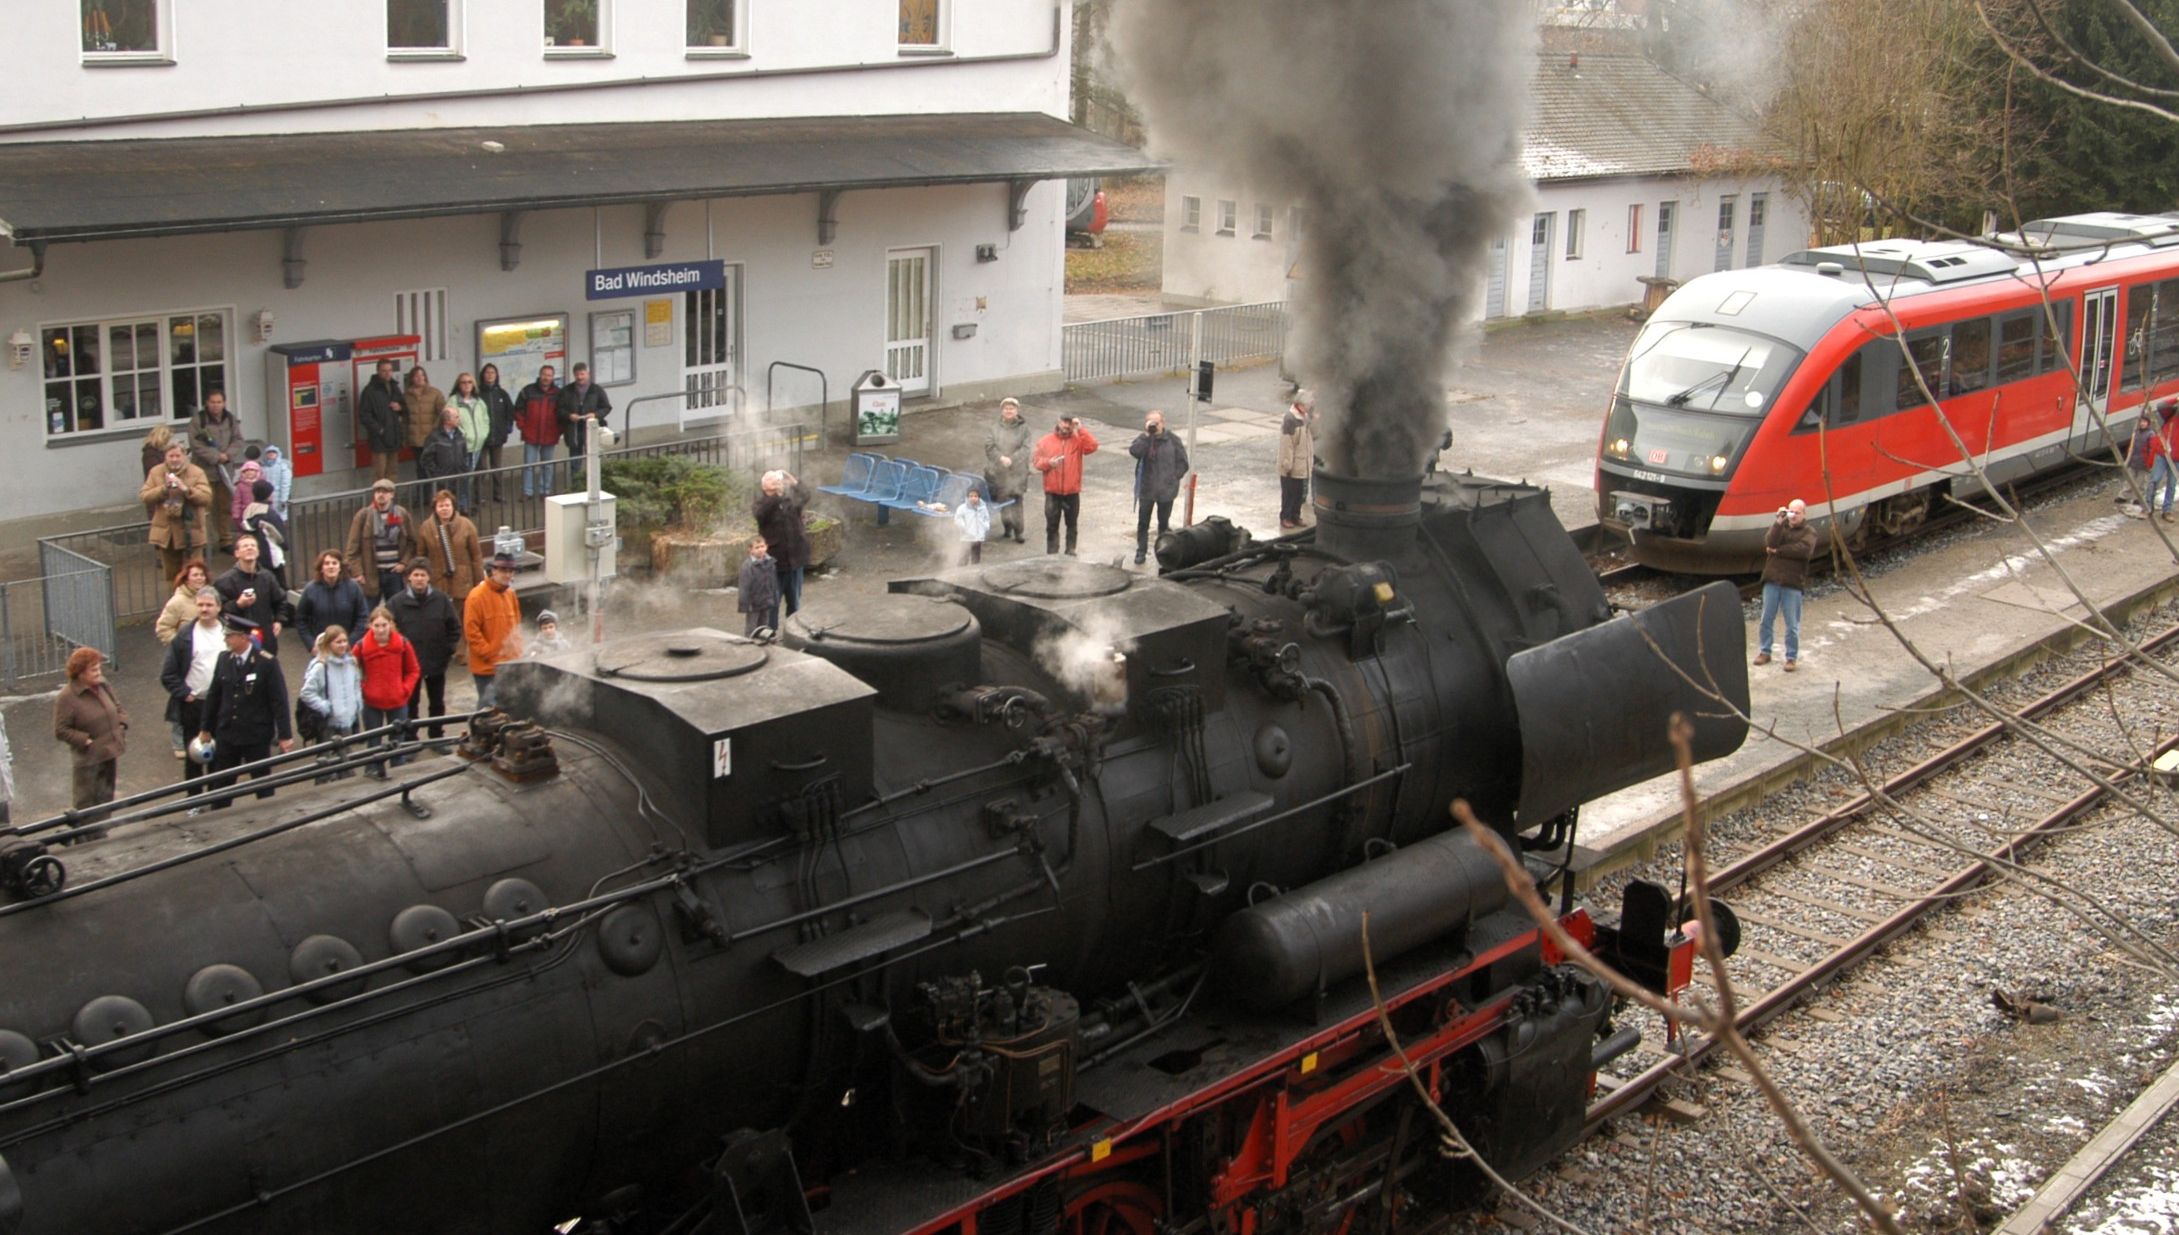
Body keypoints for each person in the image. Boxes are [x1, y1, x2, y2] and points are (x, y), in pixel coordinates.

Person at [196, 615, 295, 811]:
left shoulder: (266, 663)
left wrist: (285, 735)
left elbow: (279, 700)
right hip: (228, 733)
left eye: (229, 636)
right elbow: (214, 695)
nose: (226, 639)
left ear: (243, 637)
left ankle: (270, 818)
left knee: (262, 784)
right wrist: (205, 728)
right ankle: (218, 818)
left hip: (255, 735)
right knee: (222, 785)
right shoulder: (224, 659)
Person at [53, 647, 128, 832]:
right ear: (80, 673)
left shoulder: (103, 685)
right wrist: (85, 740)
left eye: (99, 668)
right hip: (88, 760)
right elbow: (61, 730)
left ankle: (102, 833)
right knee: (86, 803)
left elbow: (117, 706)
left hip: (109, 752)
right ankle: (84, 837)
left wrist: (122, 724)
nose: (98, 672)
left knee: (106, 797)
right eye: (93, 669)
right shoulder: (67, 697)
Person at [390, 558, 461, 741]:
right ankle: (411, 738)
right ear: (409, 577)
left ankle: (436, 736)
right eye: (416, 575)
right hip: (409, 665)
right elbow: (390, 633)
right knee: (411, 703)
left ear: (429, 577)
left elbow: (454, 627)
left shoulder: (441, 600)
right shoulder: (396, 603)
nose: (419, 579)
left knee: (437, 703)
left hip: (437, 661)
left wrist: (448, 650)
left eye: (423, 575)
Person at [160, 586, 225, 784]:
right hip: (195, 704)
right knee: (194, 756)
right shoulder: (185, 635)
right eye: (200, 605)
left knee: (220, 755)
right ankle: (194, 797)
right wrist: (185, 694)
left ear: (219, 607)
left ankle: (217, 797)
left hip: (223, 703)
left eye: (209, 605)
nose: (204, 609)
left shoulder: (228, 632)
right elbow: (168, 674)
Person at [355, 605, 421, 777]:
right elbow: (351, 671)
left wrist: (404, 689)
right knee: (373, 743)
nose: (381, 629)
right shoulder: (361, 646)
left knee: (397, 743)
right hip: (372, 703)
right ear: (370, 626)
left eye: (384, 625)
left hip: (397, 701)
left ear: (391, 624)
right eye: (376, 625)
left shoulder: (403, 643)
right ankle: (372, 773)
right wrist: (363, 689)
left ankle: (397, 775)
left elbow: (413, 670)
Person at [1755, 498, 1818, 672]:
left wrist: (1779, 551)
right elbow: (1770, 542)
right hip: (1772, 580)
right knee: (1766, 619)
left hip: (1792, 582)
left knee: (1792, 624)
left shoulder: (1809, 532)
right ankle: (1765, 651)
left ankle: (1791, 657)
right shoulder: (1781, 528)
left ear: (1804, 514)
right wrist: (1778, 522)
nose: (1793, 516)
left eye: (1797, 512)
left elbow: (1803, 550)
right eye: (1791, 512)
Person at [141, 440, 212, 583]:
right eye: (171, 456)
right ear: (165, 456)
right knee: (173, 576)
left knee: (196, 573)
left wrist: (186, 489)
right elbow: (145, 496)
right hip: (167, 534)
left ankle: (197, 597)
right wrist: (163, 489)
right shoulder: (156, 472)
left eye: (178, 456)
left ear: (184, 456)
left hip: (191, 532)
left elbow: (206, 497)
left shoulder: (197, 472)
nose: (174, 459)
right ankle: (175, 597)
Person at [299, 626, 364, 781]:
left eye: (344, 641)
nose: (342, 645)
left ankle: (346, 788)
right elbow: (306, 692)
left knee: (346, 760)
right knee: (325, 763)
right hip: (328, 723)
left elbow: (356, 685)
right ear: (329, 644)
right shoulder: (321, 666)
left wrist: (356, 703)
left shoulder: (351, 663)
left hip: (346, 721)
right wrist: (325, 707)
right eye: (338, 642)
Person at [1128, 409, 1190, 565]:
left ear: (1163, 423)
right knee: (1143, 523)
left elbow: (1183, 463)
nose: (1154, 425)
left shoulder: (1173, 440)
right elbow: (1134, 452)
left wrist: (1173, 478)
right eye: (1151, 422)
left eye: (1157, 422)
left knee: (1163, 524)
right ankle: (1141, 552)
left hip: (1166, 491)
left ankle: (1163, 552)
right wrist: (1146, 436)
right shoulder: (1144, 439)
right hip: (1147, 489)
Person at [213, 537, 293, 656]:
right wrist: (238, 604)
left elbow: (280, 600)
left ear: (258, 552)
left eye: (253, 545)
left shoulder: (268, 577)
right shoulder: (224, 581)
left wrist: (279, 620)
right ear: (237, 553)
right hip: (238, 640)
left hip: (266, 638)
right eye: (245, 546)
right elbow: (218, 610)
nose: (249, 548)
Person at [1033, 414, 1100, 556]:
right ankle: (1052, 553)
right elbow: (1037, 462)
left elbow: (1093, 446)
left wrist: (1081, 429)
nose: (1066, 426)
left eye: (1070, 423)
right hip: (1053, 492)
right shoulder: (1045, 441)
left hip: (1072, 492)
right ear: (1058, 422)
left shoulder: (1078, 440)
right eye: (1064, 422)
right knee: (1052, 525)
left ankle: (1070, 550)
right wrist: (1049, 463)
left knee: (1072, 524)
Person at [464, 554, 524, 709]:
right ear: (493, 571)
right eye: (504, 570)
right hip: (487, 668)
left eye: (511, 571)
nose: (508, 575)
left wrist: (518, 652)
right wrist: (489, 653)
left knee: (510, 707)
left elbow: (517, 624)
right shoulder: (476, 596)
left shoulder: (510, 594)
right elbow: (471, 632)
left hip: (510, 663)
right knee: (488, 710)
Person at [344, 479, 417, 603]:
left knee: (395, 610)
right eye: (378, 492)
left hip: (395, 574)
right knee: (368, 611)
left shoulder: (401, 514)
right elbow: (352, 548)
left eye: (385, 492)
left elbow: (412, 542)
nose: (381, 495)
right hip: (371, 574)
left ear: (392, 494)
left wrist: (404, 563)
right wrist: (358, 573)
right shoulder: (363, 516)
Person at [418, 490, 485, 623]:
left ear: (453, 506)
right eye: (441, 506)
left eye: (447, 505)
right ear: (435, 508)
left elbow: (476, 556)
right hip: (437, 583)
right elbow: (421, 556)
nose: (444, 509)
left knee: (464, 620)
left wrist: (479, 582)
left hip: (463, 582)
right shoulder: (426, 528)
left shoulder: (466, 525)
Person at [189, 390, 244, 550]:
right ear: (207, 403)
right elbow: (195, 444)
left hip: (225, 472)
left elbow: (238, 439)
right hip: (204, 472)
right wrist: (215, 456)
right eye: (212, 402)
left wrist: (227, 455)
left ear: (224, 403)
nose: (216, 405)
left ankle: (225, 540)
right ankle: (204, 542)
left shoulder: (230, 419)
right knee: (204, 508)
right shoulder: (198, 420)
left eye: (219, 402)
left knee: (225, 506)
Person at [752, 470, 810, 617]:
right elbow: (761, 514)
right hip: (775, 564)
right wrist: (776, 496)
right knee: (772, 603)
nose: (776, 482)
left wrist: (793, 481)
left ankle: (792, 628)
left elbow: (805, 496)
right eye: (771, 480)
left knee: (794, 603)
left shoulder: (790, 500)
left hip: (795, 560)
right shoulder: (761, 503)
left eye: (777, 479)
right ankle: (770, 629)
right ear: (764, 486)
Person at [297, 550, 370, 652]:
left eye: (334, 563)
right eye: (327, 563)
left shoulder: (353, 588)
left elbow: (363, 617)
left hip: (348, 648)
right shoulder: (310, 590)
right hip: (322, 648)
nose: (331, 566)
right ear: (321, 568)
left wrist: (350, 643)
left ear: (340, 567)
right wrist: (311, 645)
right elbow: (301, 620)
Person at [983, 397, 1032, 544]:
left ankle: (1019, 532)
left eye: (1011, 408)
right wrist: (1001, 458)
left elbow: (1026, 448)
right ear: (1002, 410)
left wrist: (1012, 459)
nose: (1009, 411)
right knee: (1002, 498)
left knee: (1016, 500)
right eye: (1006, 408)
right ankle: (1007, 528)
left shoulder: (1024, 428)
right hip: (998, 470)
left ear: (1017, 411)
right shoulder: (994, 427)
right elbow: (989, 446)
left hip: (1017, 471)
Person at [357, 357, 408, 485]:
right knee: (379, 473)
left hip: (394, 436)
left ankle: (390, 495)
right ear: (378, 371)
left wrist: (400, 407)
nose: (387, 373)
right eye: (384, 371)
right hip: (379, 439)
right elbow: (364, 415)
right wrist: (379, 429)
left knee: (393, 472)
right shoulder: (369, 391)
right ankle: (379, 496)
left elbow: (405, 407)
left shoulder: (395, 387)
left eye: (390, 370)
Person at [555, 361, 612, 472]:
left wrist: (595, 415)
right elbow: (559, 410)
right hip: (574, 431)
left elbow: (606, 407)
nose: (580, 377)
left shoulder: (597, 390)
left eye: (582, 374)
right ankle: (576, 481)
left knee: (594, 460)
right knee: (575, 462)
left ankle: (594, 481)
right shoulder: (567, 391)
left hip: (592, 429)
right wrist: (569, 415)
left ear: (588, 374)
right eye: (577, 374)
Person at [516, 364, 562, 498]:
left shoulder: (558, 393)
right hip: (531, 434)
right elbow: (518, 410)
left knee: (547, 465)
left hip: (550, 434)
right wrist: (522, 426)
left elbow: (562, 413)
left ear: (553, 377)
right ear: (539, 375)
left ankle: (545, 491)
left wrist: (559, 430)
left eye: (549, 375)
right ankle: (527, 492)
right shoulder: (527, 391)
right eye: (544, 374)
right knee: (528, 465)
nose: (546, 377)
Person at [447, 372, 491, 512]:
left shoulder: (479, 401)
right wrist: (464, 435)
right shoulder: (453, 401)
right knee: (463, 478)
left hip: (477, 446)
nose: (467, 385)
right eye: (463, 382)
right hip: (462, 446)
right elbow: (450, 421)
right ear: (458, 385)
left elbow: (485, 420)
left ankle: (464, 504)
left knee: (469, 477)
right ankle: (462, 505)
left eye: (469, 382)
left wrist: (483, 435)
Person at [477, 362, 517, 502]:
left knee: (497, 468)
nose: (490, 375)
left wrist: (508, 426)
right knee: (481, 467)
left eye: (492, 373)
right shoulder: (478, 394)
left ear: (496, 375)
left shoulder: (502, 393)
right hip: (482, 438)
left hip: (498, 436)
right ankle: (478, 495)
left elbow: (510, 411)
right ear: (483, 375)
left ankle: (498, 494)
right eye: (487, 372)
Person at [240, 478, 289, 591]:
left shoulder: (248, 512)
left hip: (256, 558)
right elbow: (280, 538)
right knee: (280, 589)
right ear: (268, 495)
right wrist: (285, 545)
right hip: (273, 557)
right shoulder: (270, 515)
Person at [417, 405, 469, 509]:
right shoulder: (434, 437)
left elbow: (464, 454)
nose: (459, 419)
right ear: (447, 420)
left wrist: (463, 469)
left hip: (458, 477)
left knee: (455, 506)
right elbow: (426, 459)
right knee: (443, 506)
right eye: (456, 417)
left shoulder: (459, 435)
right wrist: (437, 475)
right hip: (442, 480)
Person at [1278, 390, 1316, 530]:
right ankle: (1286, 517)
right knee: (1289, 494)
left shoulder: (1305, 417)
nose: (1309, 407)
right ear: (1300, 404)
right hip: (1291, 464)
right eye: (1307, 405)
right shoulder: (1290, 419)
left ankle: (1295, 515)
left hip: (1301, 463)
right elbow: (1287, 445)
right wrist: (1287, 465)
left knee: (1298, 493)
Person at [402, 365, 448, 480]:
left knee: (433, 467)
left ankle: (435, 489)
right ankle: (422, 491)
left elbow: (442, 413)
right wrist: (405, 437)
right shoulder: (406, 396)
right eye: (416, 376)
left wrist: (436, 430)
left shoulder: (435, 393)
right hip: (415, 439)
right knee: (420, 468)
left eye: (422, 375)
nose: (420, 378)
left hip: (431, 438)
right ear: (411, 378)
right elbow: (405, 418)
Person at [154, 559, 212, 647]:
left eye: (202, 575)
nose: (199, 578)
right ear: (186, 579)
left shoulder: (211, 598)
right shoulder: (177, 602)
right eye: (195, 575)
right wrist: (181, 645)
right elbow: (163, 628)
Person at [737, 538, 781, 636]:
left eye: (762, 546)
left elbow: (773, 582)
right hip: (753, 603)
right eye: (757, 547)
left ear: (766, 547)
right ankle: (749, 642)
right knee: (751, 627)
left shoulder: (770, 563)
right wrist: (745, 605)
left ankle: (762, 641)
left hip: (766, 600)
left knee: (764, 625)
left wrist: (775, 597)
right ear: (750, 550)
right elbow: (744, 587)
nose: (760, 549)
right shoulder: (748, 566)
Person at [228, 459, 263, 540]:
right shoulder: (240, 486)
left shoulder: (262, 484)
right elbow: (236, 501)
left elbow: (267, 499)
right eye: (246, 470)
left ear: (257, 472)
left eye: (252, 470)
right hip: (244, 515)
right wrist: (236, 514)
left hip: (259, 514)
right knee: (246, 534)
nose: (249, 472)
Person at [954, 487, 990, 565]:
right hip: (967, 537)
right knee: (963, 557)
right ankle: (961, 570)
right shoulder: (962, 508)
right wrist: (964, 528)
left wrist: (986, 527)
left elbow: (986, 518)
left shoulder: (983, 508)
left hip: (978, 537)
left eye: (975, 496)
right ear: (967, 497)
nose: (973, 498)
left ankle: (975, 569)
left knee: (976, 557)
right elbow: (958, 519)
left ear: (979, 497)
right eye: (971, 496)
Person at [258, 443, 292, 521]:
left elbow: (285, 484)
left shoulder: (283, 466)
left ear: (278, 454)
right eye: (269, 452)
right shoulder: (263, 467)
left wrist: (283, 499)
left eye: (273, 452)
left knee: (280, 518)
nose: (271, 454)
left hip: (279, 496)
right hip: (266, 496)